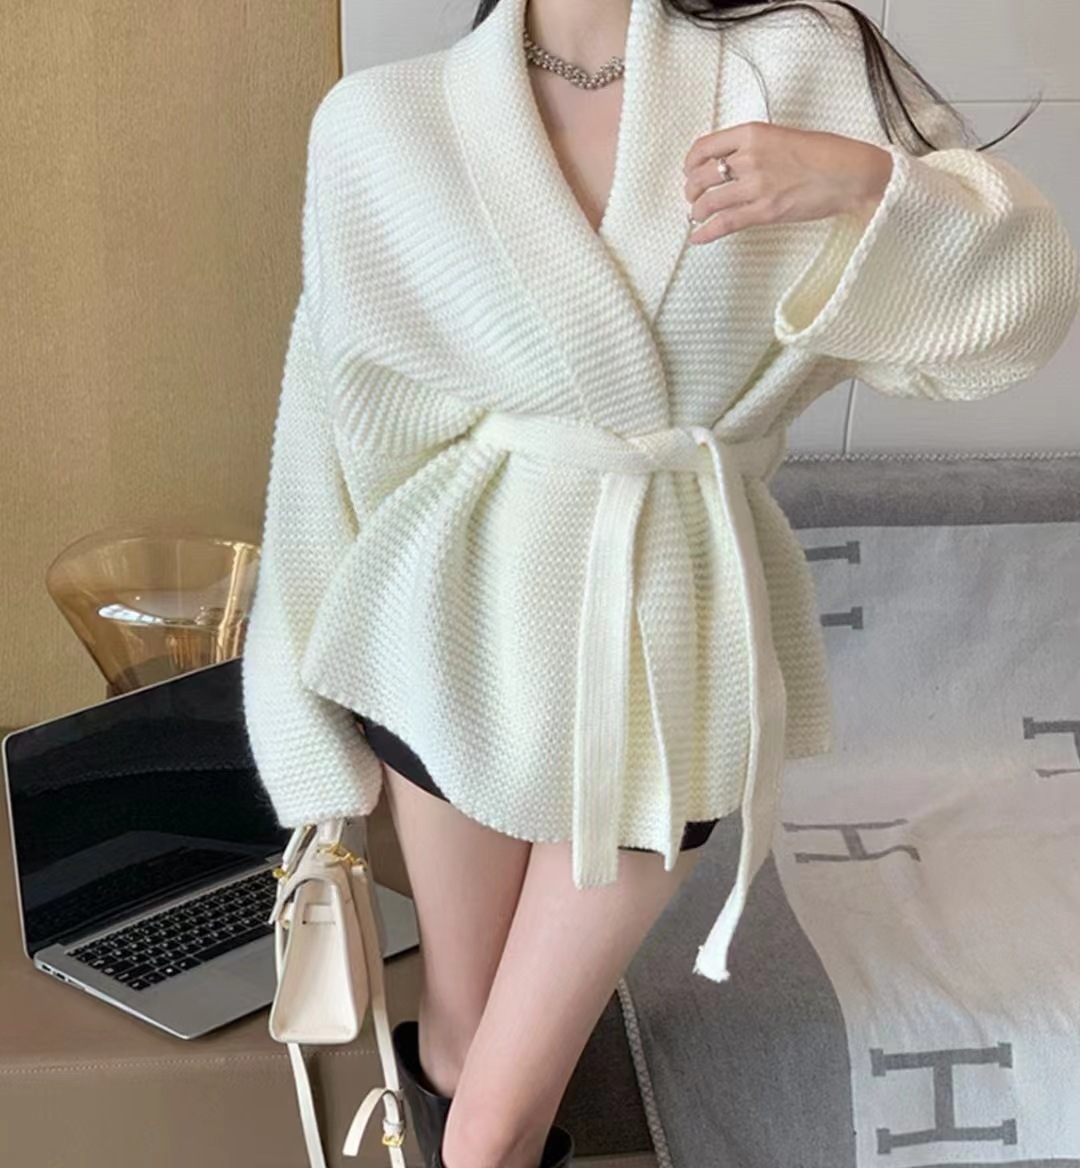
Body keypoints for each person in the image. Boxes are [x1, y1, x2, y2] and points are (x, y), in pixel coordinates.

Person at [241, 1, 1080, 1166]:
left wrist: (868, 186)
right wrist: (299, 714)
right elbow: (334, 430)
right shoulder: (383, 122)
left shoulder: (796, 67)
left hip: (669, 655)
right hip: (450, 644)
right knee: (459, 1046)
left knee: (488, 1128)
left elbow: (1022, 308)